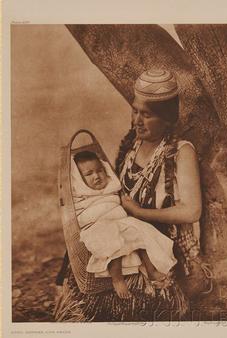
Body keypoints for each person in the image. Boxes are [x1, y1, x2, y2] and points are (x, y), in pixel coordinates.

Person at [116, 69, 211, 298]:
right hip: (129, 238)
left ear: (167, 118)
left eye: (146, 115)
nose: (137, 121)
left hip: (166, 247)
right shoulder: (131, 147)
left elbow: (191, 211)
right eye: (135, 111)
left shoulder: (180, 151)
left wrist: (139, 213)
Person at [71, 150, 176, 299]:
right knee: (112, 241)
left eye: (100, 171)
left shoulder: (111, 187)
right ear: (79, 180)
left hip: (119, 221)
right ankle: (117, 278)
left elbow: (119, 201)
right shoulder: (80, 193)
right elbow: (79, 213)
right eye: (89, 174)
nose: (97, 176)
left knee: (142, 231)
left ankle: (151, 270)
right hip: (97, 226)